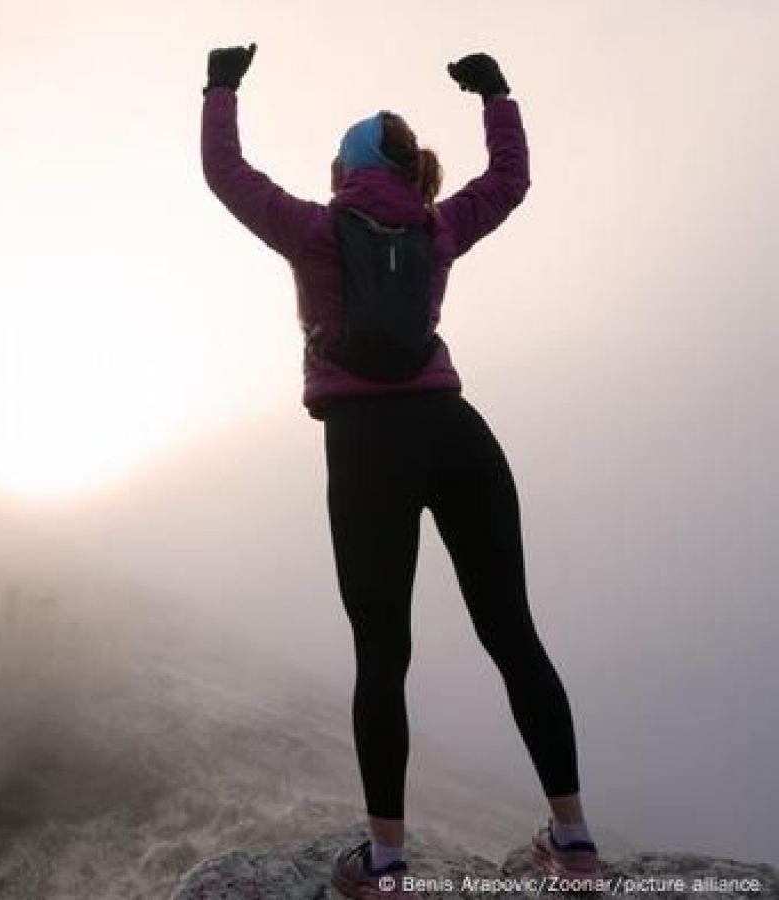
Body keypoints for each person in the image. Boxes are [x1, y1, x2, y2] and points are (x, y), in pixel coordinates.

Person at [200, 44, 602, 898]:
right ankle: (574, 845)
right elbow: (510, 179)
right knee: (514, 636)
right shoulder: (436, 227)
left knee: (382, 654)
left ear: (348, 168)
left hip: (364, 444)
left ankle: (384, 864)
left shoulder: (313, 229)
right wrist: (496, 91)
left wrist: (222, 85)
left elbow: (226, 174)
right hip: (456, 433)